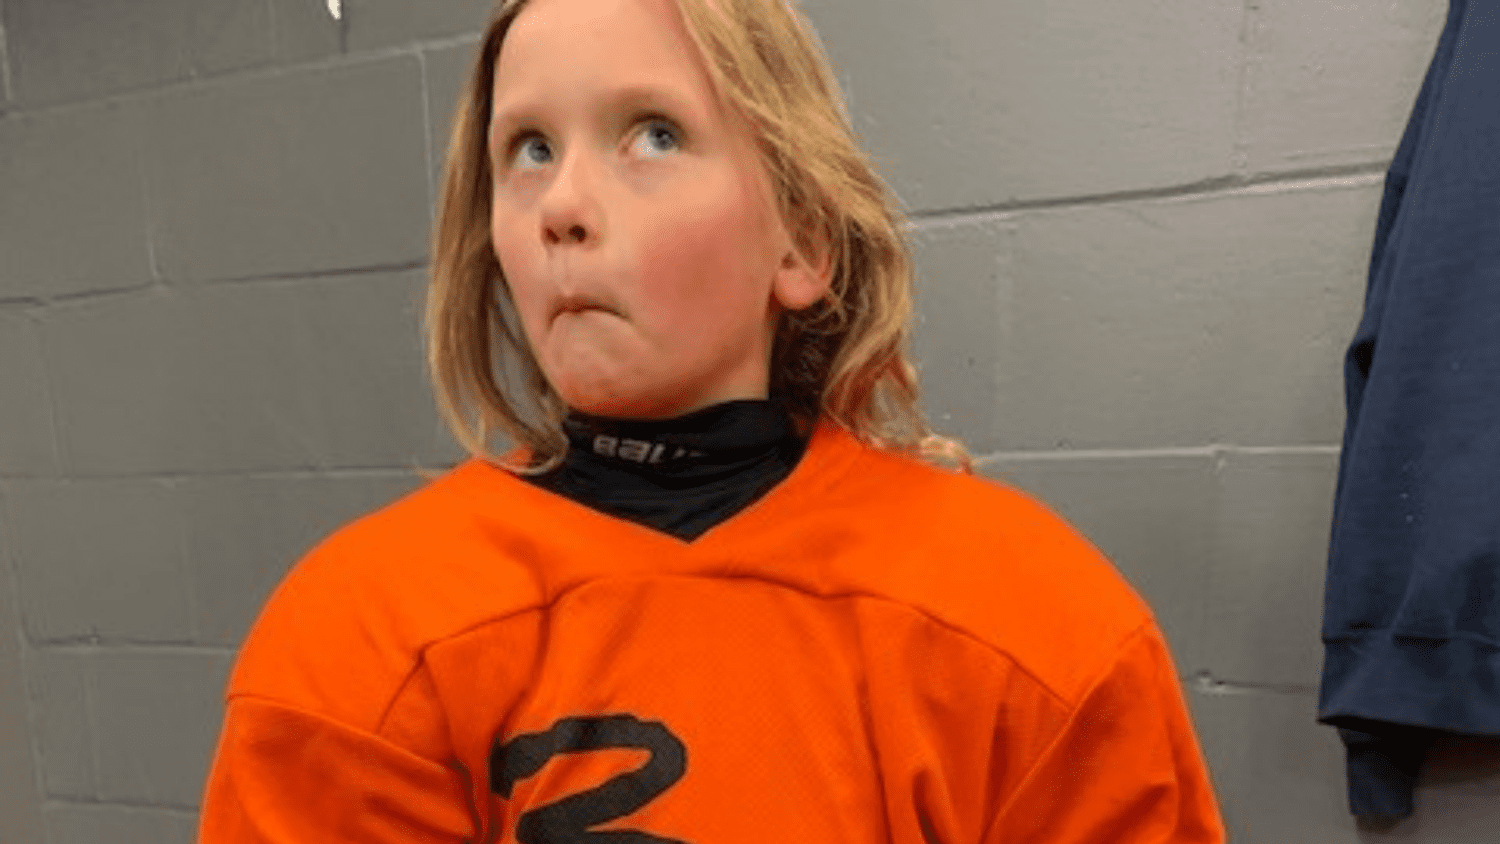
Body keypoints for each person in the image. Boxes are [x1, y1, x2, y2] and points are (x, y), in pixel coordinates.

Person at [197, 0, 1228, 841]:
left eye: (654, 134)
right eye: (530, 149)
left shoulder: (1038, 631)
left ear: (801, 239)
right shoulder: (358, 646)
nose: (563, 205)